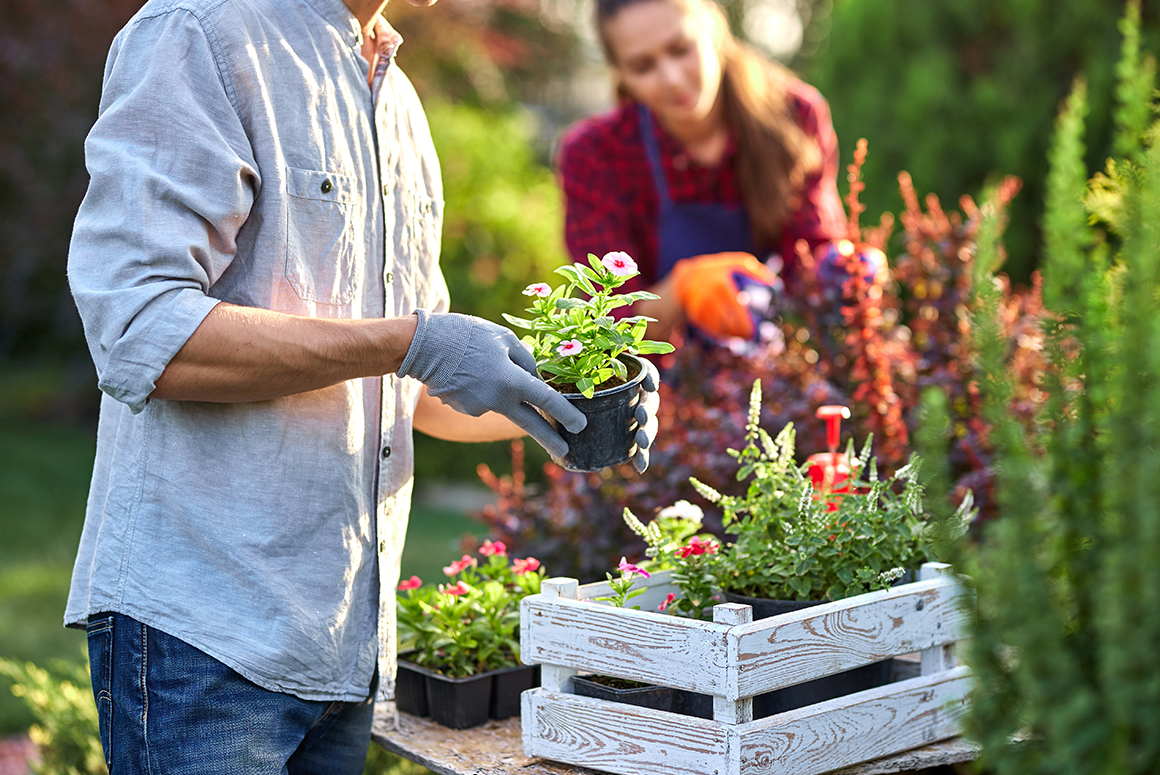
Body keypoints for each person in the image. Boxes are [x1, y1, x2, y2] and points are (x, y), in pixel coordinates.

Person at [64, 0, 659, 771]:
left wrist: (564, 406)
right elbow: (142, 329)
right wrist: (412, 341)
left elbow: (409, 389)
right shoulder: (199, 34)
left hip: (341, 650)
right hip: (203, 642)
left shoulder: (396, 99)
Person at [557, 0, 850, 342]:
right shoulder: (594, 155)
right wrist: (681, 290)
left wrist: (844, 271)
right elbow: (608, 322)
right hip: (662, 379)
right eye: (642, 66)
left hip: (774, 358)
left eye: (681, 49)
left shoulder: (794, 117)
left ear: (714, 28)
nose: (672, 78)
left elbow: (810, 260)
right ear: (620, 72)